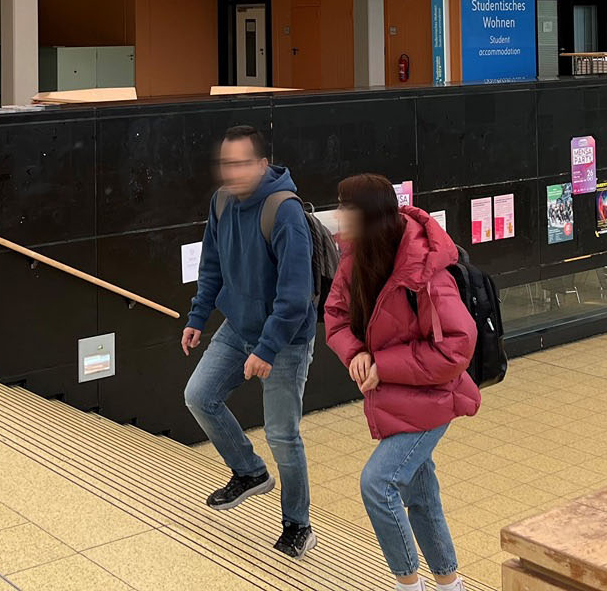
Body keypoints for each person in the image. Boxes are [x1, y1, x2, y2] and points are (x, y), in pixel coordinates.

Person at [324, 174, 480, 591]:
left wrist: (385, 366)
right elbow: (336, 316)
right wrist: (356, 352)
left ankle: (408, 584)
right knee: (421, 496)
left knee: (379, 483)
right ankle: (449, 585)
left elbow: (457, 348)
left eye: (345, 207)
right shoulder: (355, 258)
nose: (338, 216)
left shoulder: (425, 271)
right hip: (399, 397)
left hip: (434, 396)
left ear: (368, 216)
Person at [182, 124, 317, 560]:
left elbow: (296, 297)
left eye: (241, 163)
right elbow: (212, 265)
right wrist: (198, 316)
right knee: (199, 396)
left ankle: (298, 523)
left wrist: (267, 349)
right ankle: (249, 471)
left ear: (263, 164)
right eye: (226, 164)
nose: (232, 172)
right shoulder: (221, 202)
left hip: (286, 339)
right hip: (238, 326)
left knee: (282, 434)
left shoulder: (285, 212)